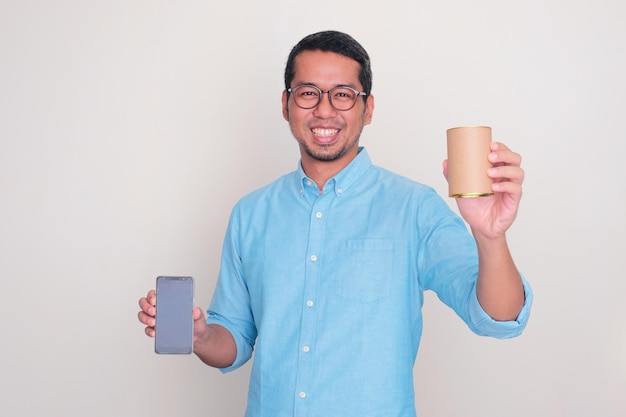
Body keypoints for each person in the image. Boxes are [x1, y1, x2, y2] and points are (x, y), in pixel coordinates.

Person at [138, 30, 533, 416]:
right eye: (308, 93)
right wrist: (202, 336)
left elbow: (499, 320)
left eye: (343, 95)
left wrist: (490, 237)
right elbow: (236, 340)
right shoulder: (251, 213)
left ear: (368, 107)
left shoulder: (414, 208)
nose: (324, 110)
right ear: (285, 104)